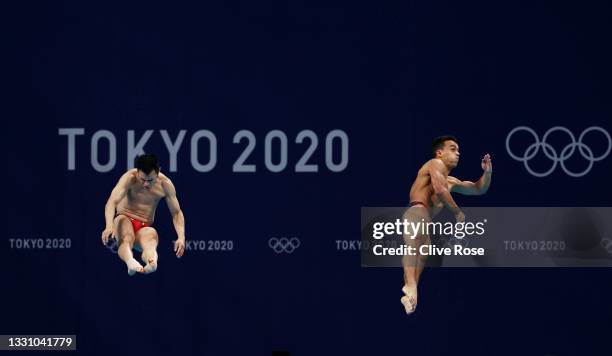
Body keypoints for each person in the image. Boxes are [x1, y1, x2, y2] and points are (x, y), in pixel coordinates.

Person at [401, 136, 492, 314]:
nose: (457, 153)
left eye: (458, 150)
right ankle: (410, 286)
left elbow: (477, 188)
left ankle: (411, 293)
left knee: (424, 253)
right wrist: (458, 212)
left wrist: (487, 173)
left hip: (425, 219)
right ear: (440, 152)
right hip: (416, 211)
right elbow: (439, 189)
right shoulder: (435, 163)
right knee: (414, 246)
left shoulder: (451, 182)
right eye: (453, 149)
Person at [101, 153, 186, 275]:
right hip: (124, 217)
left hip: (143, 226)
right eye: (142, 179)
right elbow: (111, 202)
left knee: (151, 236)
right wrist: (109, 226)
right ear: (137, 171)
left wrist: (181, 237)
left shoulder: (165, 185)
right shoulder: (129, 178)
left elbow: (177, 213)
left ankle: (152, 261)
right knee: (126, 236)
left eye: (150, 180)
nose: (146, 184)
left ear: (158, 172)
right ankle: (130, 262)